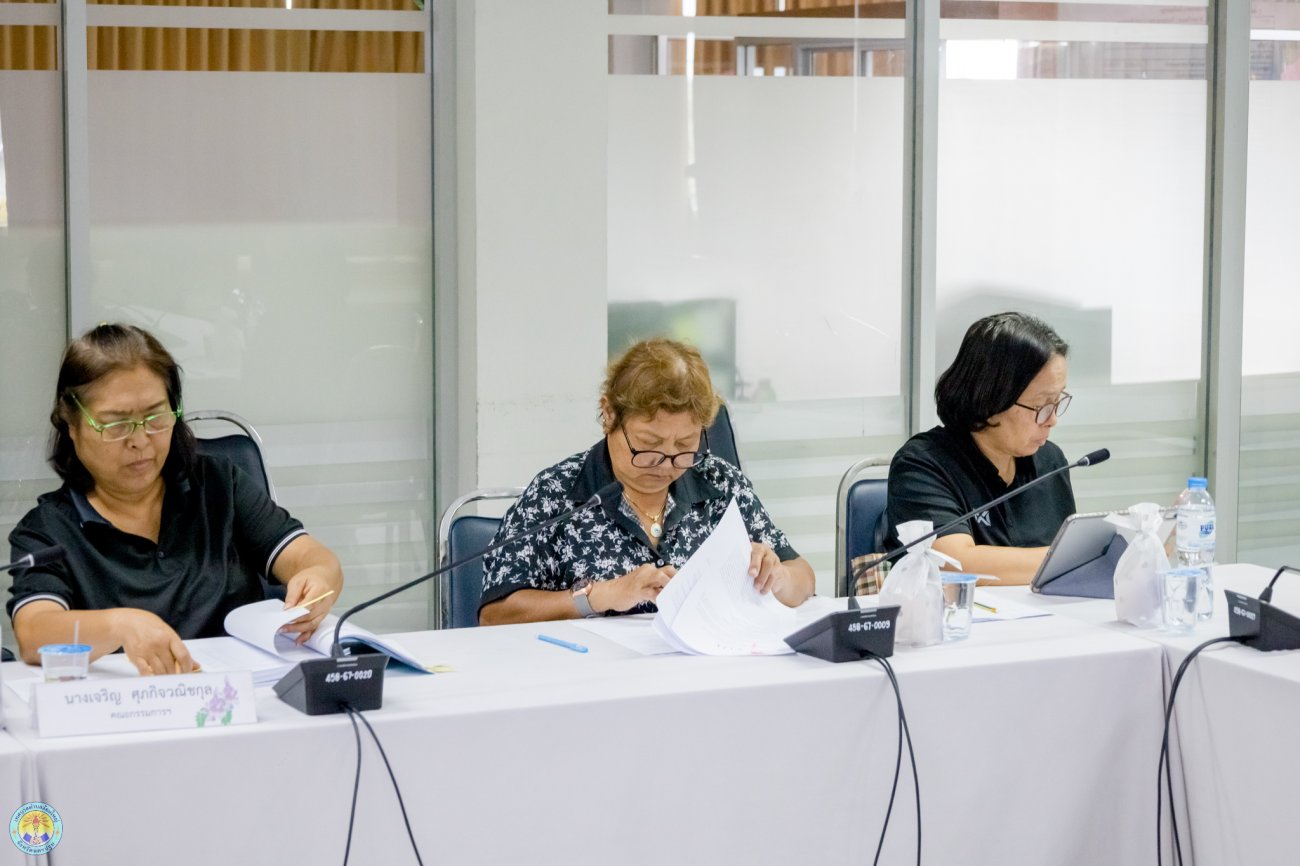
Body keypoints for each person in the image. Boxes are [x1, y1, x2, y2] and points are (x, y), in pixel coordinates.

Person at [6, 324, 343, 675]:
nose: (140, 441)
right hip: (125, 704)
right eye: (116, 425)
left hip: (242, 693)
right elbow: (34, 633)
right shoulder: (47, 531)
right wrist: (120, 626)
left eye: (156, 417)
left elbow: (312, 558)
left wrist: (319, 578)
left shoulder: (218, 485)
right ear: (71, 426)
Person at [479, 338, 815, 625]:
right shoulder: (558, 493)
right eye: (649, 444)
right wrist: (598, 596)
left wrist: (778, 578)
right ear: (609, 414)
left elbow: (803, 577)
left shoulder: (719, 483)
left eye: (684, 445)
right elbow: (495, 614)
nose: (665, 463)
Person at [885, 312, 1076, 585]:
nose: (1052, 419)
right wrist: (1072, 558)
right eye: (1042, 405)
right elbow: (953, 564)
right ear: (992, 398)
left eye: (1058, 401)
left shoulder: (1050, 460)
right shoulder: (923, 463)